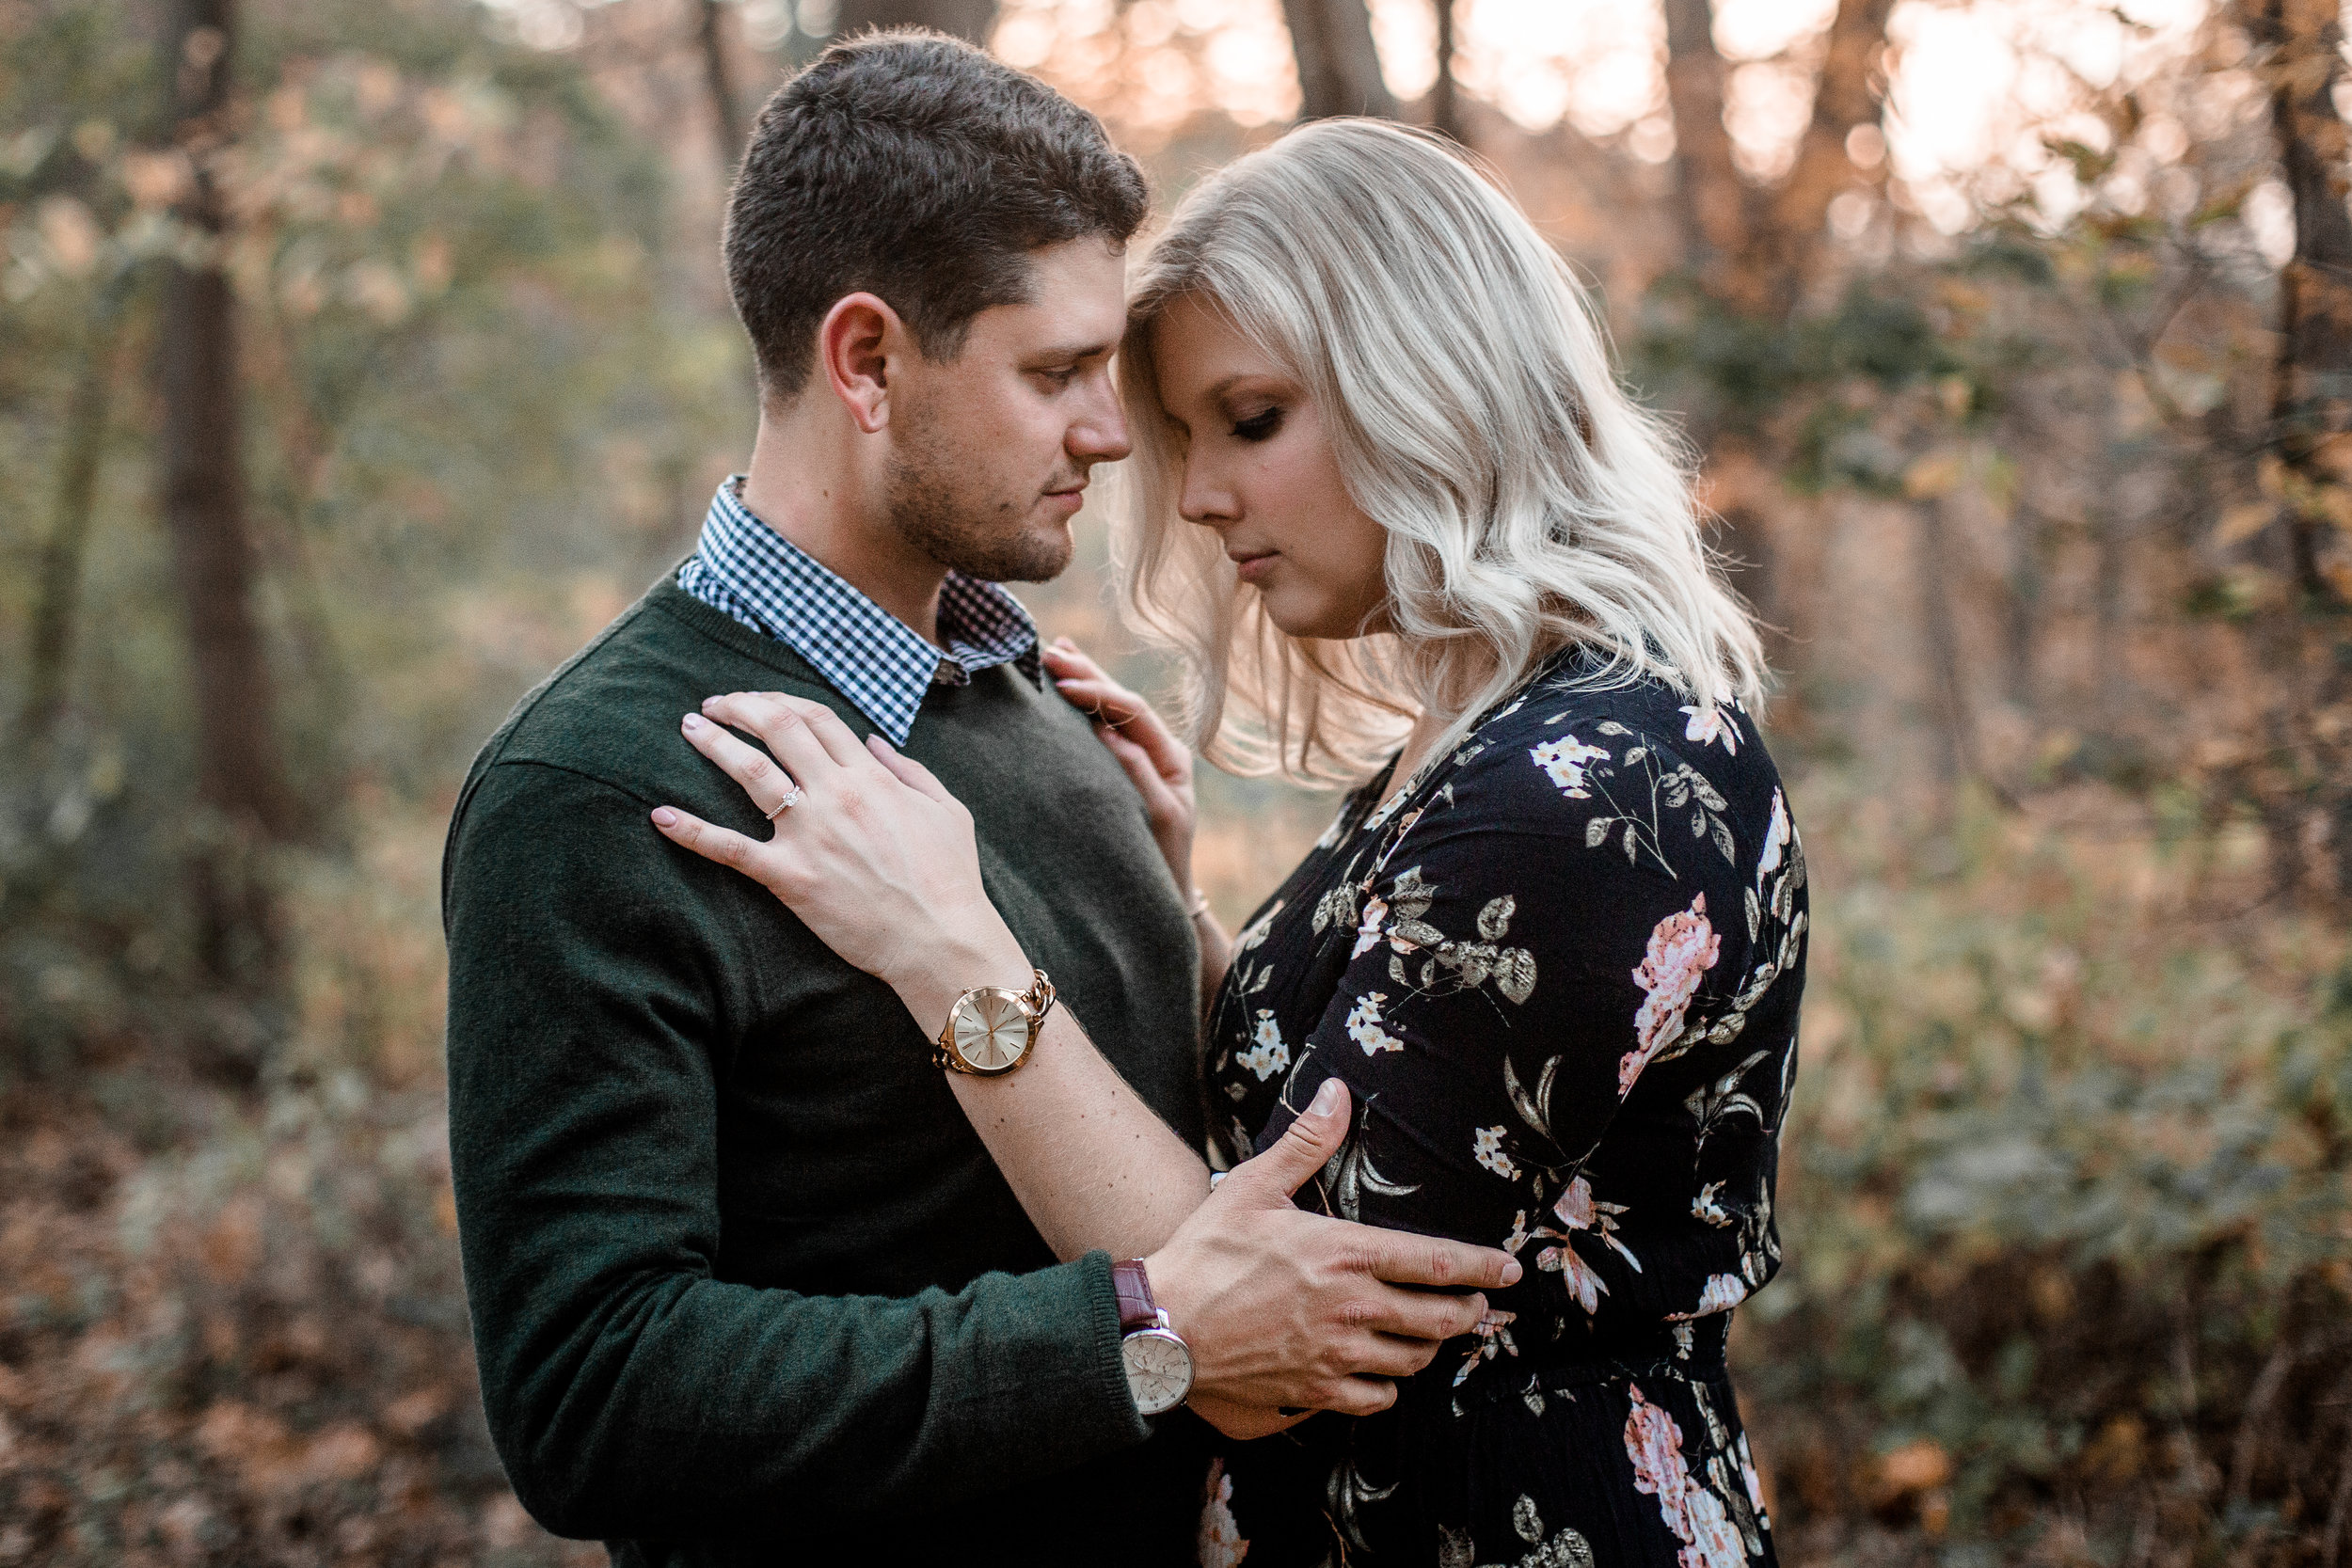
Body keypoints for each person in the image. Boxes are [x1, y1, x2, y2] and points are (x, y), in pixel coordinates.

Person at [655, 119, 1809, 1566]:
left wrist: (948, 949)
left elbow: (1268, 1304)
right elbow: (1345, 1120)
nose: (1199, 496)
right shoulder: (1492, 741)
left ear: (1431, 383)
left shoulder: (1593, 786)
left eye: (1249, 420)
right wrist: (1175, 901)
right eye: (1187, 436)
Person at [439, 40, 1518, 1568]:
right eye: (1057, 373)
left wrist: (1179, 915)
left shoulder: (1045, 712)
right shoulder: (602, 786)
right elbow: (588, 1394)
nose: (1112, 432)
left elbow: (1175, 1160)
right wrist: (1135, 1340)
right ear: (868, 362)